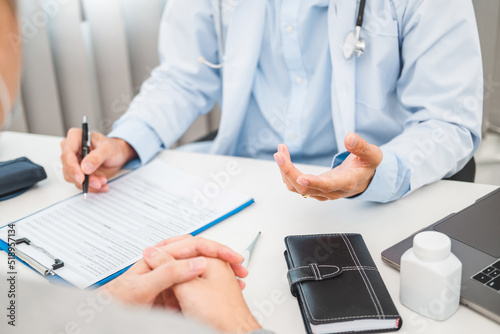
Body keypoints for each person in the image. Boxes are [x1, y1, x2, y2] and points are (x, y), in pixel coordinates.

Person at [0, 2, 272, 333]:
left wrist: (108, 303)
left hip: (340, 185)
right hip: (235, 167)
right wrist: (238, 325)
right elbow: (184, 76)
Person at [60, 0, 482, 204]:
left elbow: (449, 120)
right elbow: (184, 76)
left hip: (373, 197)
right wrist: (126, 142)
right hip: (242, 181)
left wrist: (378, 173)